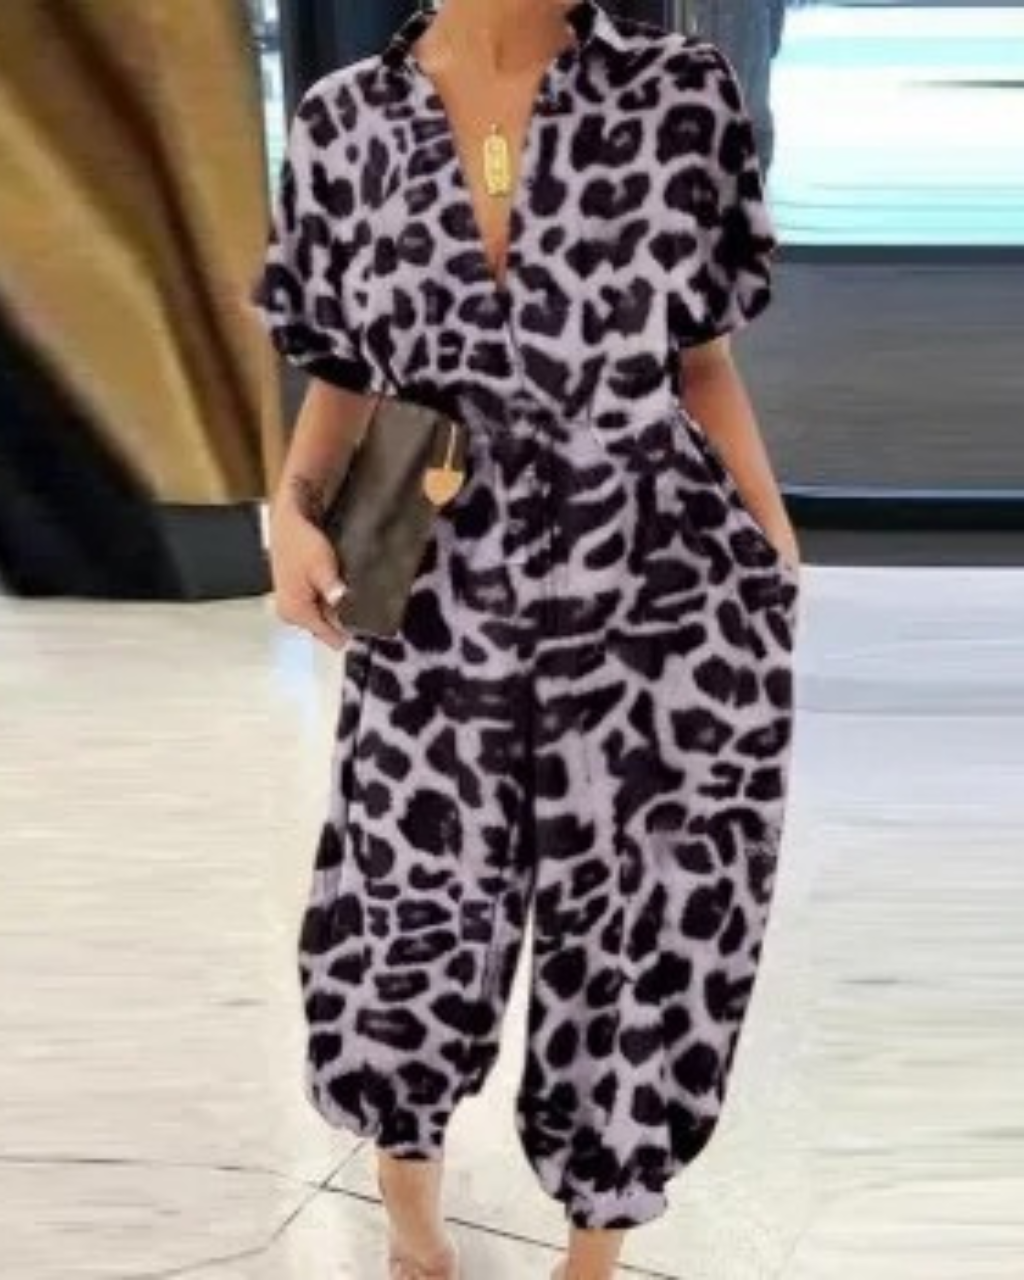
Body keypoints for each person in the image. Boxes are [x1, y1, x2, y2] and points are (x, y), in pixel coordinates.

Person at [249, 2, 802, 1277]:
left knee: (648, 922)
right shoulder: (343, 121)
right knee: (410, 906)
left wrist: (772, 555)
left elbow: (702, 361)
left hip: (661, 583)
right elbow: (342, 370)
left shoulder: (678, 91)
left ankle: (594, 1252)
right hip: (430, 577)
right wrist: (291, 514)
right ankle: (410, 1215)